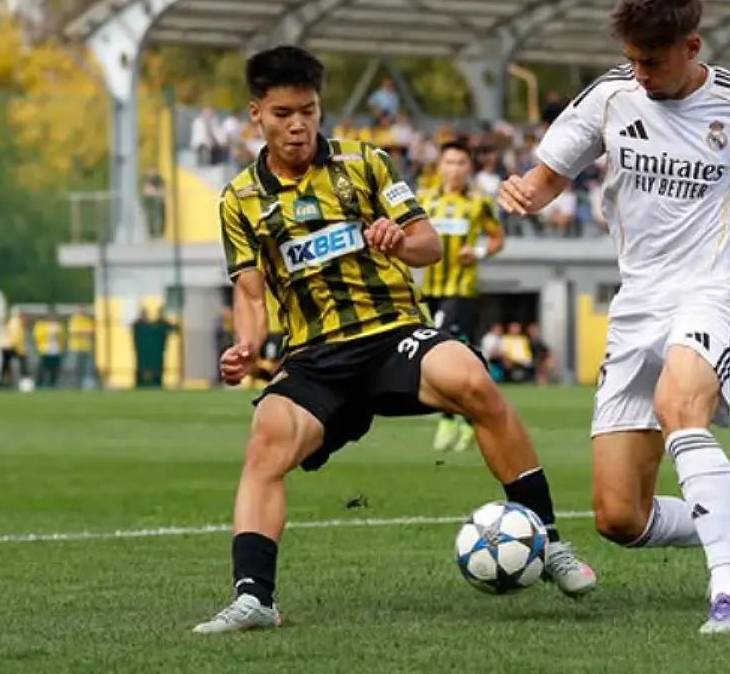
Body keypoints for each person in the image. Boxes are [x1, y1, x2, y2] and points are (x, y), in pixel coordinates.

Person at [194, 45, 595, 634]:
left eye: (308, 109)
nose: (299, 124)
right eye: (283, 113)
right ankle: (256, 599)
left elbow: (428, 244)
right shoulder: (239, 201)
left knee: (473, 380)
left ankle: (550, 541)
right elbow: (251, 295)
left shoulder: (365, 163)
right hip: (316, 357)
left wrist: (397, 241)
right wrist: (245, 347)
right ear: (257, 113)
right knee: (266, 443)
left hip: (393, 336)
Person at [497, 0, 730, 634]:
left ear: (692, 46)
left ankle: (729, 596)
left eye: (650, 61)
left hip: (707, 289)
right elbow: (546, 180)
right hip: (634, 305)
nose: (639, 73)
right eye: (630, 58)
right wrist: (527, 195)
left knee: (679, 407)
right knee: (619, 517)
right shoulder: (608, 97)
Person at [419, 141, 505, 453]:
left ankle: (448, 415)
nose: (454, 169)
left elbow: (498, 238)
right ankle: (470, 416)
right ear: (439, 166)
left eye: (460, 163)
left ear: (469, 169)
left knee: (440, 347)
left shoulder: (479, 203)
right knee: (463, 353)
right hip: (429, 289)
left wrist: (479, 251)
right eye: (449, 162)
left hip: (461, 289)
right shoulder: (423, 199)